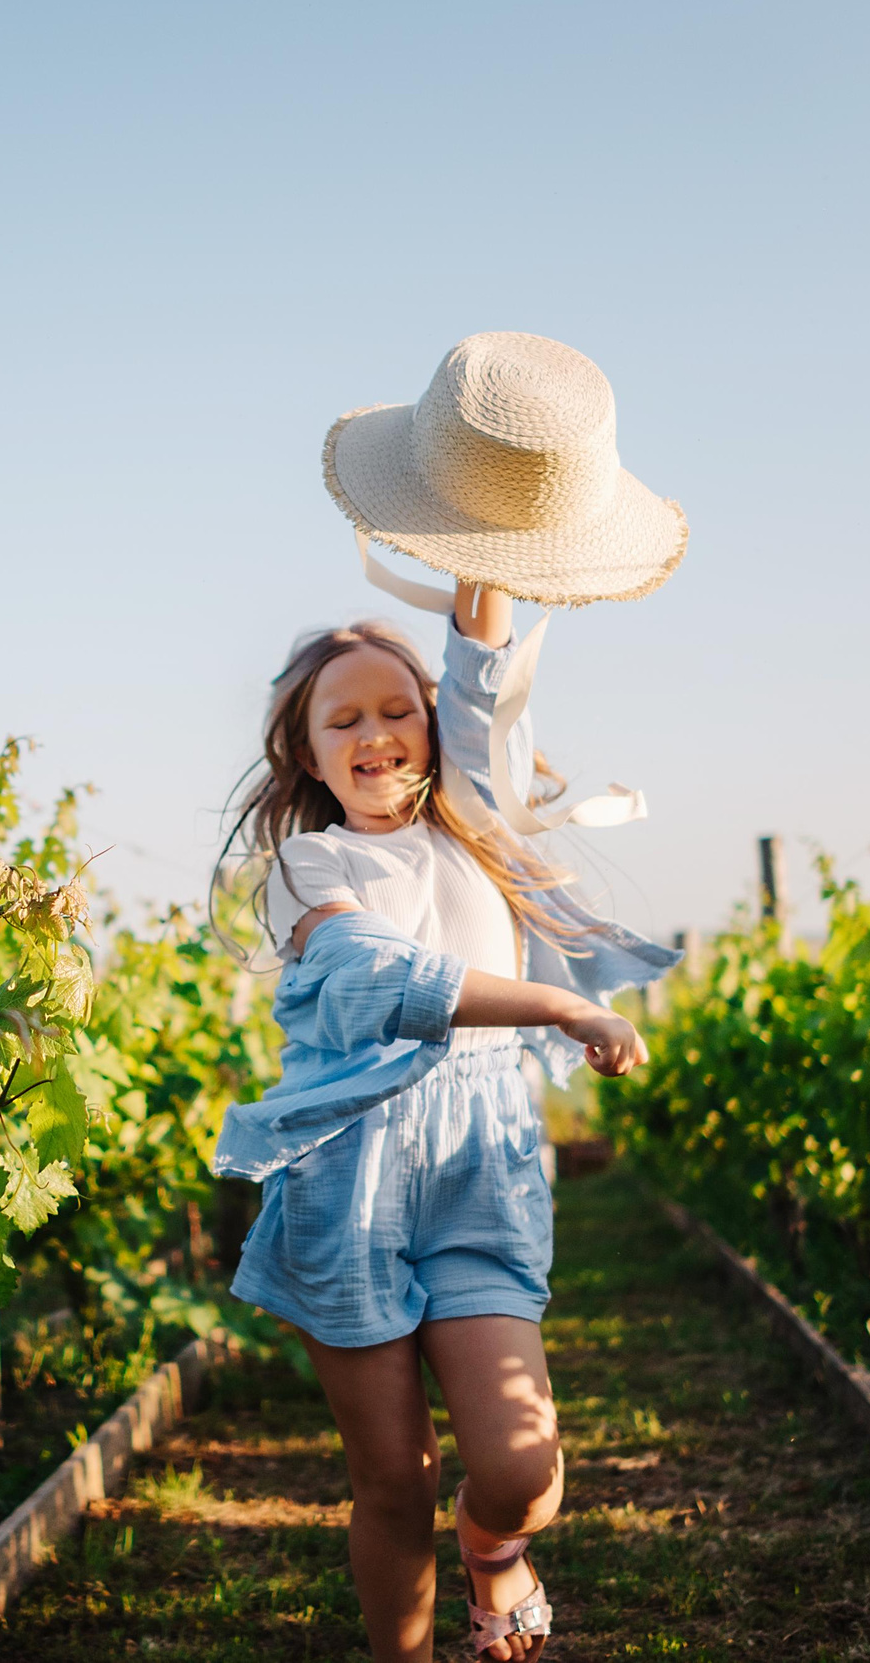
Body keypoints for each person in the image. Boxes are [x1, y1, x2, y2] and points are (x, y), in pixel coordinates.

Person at [213, 332, 685, 1662]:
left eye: (395, 711)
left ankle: (497, 1555)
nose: (375, 734)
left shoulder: (472, 824)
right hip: (348, 1177)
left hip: (480, 1163)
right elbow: (383, 979)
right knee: (390, 1479)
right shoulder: (306, 870)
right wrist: (559, 1006)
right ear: (307, 756)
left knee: (519, 1465)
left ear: (425, 730)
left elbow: (479, 677)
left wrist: (486, 542)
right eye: (342, 722)